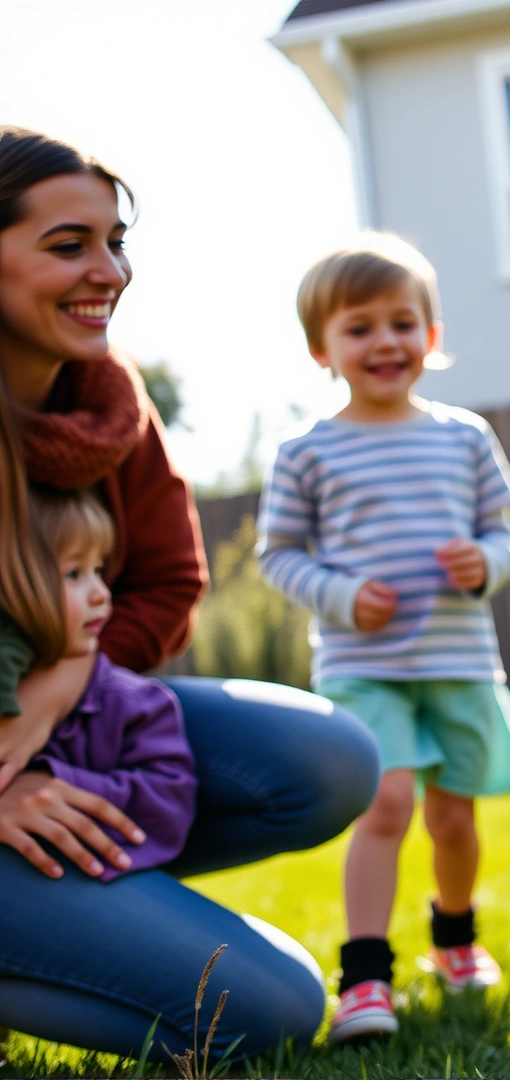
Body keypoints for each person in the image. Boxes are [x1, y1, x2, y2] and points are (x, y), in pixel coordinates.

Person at [0, 127, 380, 1059]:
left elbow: (171, 582)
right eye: (67, 245)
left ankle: (71, 896)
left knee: (325, 754)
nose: (109, 271)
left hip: (57, 734)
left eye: (114, 240)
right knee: (274, 1010)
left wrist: (51, 699)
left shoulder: (110, 407)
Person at [259, 233, 510, 1043]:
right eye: (359, 328)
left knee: (453, 818)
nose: (385, 342)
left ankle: (456, 942)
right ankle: (366, 978)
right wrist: (341, 594)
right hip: (362, 666)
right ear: (323, 349)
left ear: (432, 336)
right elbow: (278, 554)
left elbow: (505, 534)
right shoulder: (306, 452)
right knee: (383, 807)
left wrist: (481, 561)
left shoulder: (464, 437)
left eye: (403, 323)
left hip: (455, 662)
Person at [16, 486, 196, 881]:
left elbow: (169, 804)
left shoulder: (136, 703)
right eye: (74, 573)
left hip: (94, 875)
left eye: (99, 570)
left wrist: (55, 782)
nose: (101, 593)